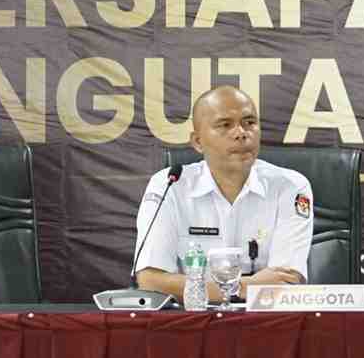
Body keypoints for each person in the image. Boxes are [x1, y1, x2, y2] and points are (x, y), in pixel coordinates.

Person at [135, 84, 314, 304]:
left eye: (249, 123)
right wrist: (241, 287)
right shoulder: (170, 185)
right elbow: (150, 280)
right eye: (225, 125)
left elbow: (285, 281)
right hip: (191, 320)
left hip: (267, 319)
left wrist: (198, 287)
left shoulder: (290, 187)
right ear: (198, 142)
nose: (241, 133)